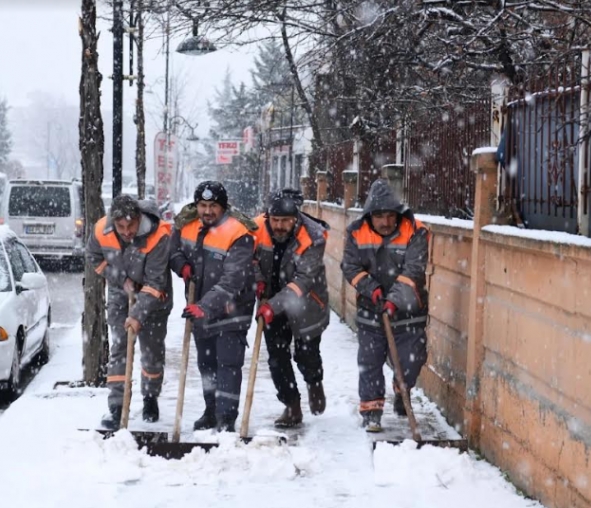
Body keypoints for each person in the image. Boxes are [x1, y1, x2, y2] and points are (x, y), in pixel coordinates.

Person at [341, 178, 430, 432]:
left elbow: (413, 270)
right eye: (379, 216)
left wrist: (393, 300)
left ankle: (402, 391)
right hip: (371, 309)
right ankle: (371, 411)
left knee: (410, 361)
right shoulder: (356, 232)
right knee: (370, 360)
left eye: (390, 215)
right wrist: (372, 289)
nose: (385, 222)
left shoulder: (416, 231)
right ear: (370, 214)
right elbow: (350, 266)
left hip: (409, 311)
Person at [169, 181, 257, 433]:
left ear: (223, 206)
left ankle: (226, 418)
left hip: (232, 310)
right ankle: (210, 411)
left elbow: (233, 279)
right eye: (202, 205)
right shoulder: (186, 225)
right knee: (206, 365)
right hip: (200, 310)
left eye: (213, 206)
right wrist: (181, 265)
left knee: (227, 365)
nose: (207, 211)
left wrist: (206, 306)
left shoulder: (238, 233)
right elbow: (173, 250)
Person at [86, 194, 173, 432]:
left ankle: (150, 397)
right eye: (120, 227)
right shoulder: (101, 230)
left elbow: (156, 282)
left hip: (154, 299)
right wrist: (120, 279)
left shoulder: (158, 236)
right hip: (119, 296)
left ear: (138, 219)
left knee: (151, 353)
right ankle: (117, 407)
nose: (126, 232)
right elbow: (94, 257)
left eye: (130, 226)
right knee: (120, 350)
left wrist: (137, 314)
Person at [252, 188, 330, 428]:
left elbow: (304, 280)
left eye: (285, 221)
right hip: (270, 300)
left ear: (295, 218)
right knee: (277, 358)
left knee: (306, 354)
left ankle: (314, 381)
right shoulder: (256, 228)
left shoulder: (313, 236)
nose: (279, 226)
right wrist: (257, 278)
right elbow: (249, 257)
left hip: (306, 304)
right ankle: (292, 405)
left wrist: (273, 306)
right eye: (274, 220)